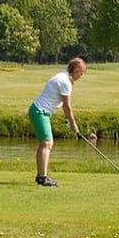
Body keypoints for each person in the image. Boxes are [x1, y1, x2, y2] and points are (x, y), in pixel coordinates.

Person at [27, 57, 86, 187]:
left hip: (39, 111)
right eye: (81, 73)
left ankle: (40, 176)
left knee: (45, 144)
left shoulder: (62, 76)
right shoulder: (65, 82)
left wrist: (69, 121)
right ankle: (42, 178)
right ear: (76, 70)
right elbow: (67, 106)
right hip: (40, 112)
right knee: (47, 144)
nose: (81, 76)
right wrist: (73, 123)